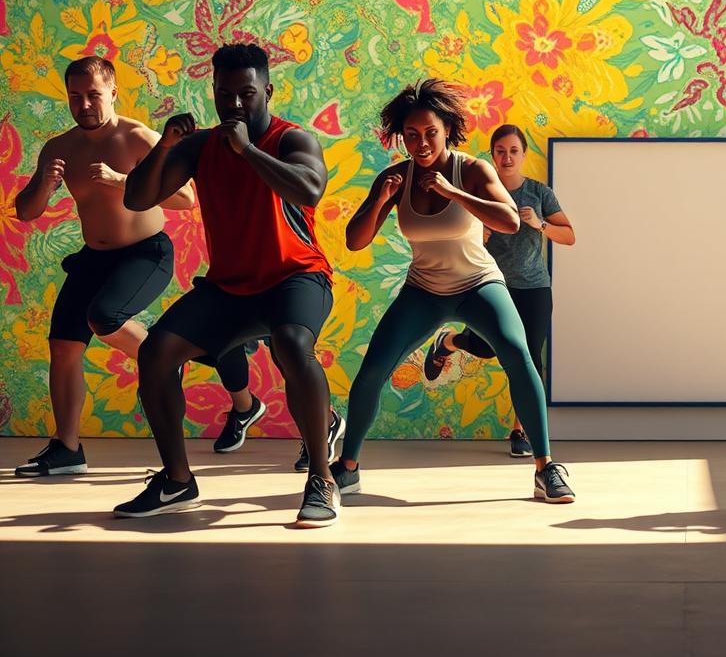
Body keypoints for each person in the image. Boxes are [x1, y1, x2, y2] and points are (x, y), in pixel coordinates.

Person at [118, 43, 344, 526]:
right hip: (230, 287)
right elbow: (137, 199)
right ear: (214, 92)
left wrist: (247, 150)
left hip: (295, 276)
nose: (236, 105)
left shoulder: (292, 139)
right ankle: (177, 480)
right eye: (225, 94)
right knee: (156, 352)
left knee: (291, 343)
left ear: (268, 90)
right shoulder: (201, 146)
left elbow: (309, 190)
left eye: (247, 93)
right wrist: (164, 146)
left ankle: (323, 478)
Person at [12, 56, 260, 476]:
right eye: (75, 96)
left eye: (93, 94)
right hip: (93, 257)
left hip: (146, 252)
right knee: (63, 347)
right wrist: (44, 184)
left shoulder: (138, 137)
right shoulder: (59, 148)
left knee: (105, 317)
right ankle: (67, 448)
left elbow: (186, 200)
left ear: (112, 92)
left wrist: (123, 180)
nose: (85, 104)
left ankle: (165, 357)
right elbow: (26, 212)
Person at [336, 80, 576, 503]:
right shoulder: (396, 176)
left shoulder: (473, 170)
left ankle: (546, 468)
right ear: (402, 137)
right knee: (373, 369)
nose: (422, 142)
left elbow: (510, 221)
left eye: (430, 132)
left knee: (519, 356)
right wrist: (381, 201)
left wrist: (454, 193)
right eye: (412, 134)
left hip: (478, 283)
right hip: (424, 289)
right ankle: (348, 467)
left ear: (447, 129)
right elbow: (355, 240)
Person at [424, 123, 576, 458]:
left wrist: (541, 224)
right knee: (486, 348)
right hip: (490, 284)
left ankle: (520, 431)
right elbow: (456, 236)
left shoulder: (539, 193)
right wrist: (481, 235)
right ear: (492, 155)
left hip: (535, 286)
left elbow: (569, 236)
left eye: (513, 151)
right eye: (500, 151)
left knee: (529, 360)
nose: (507, 157)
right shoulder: (481, 192)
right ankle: (447, 341)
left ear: (523, 155)